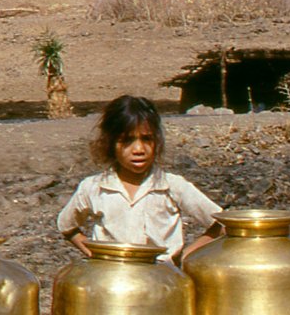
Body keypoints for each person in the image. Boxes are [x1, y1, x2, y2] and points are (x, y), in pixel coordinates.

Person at [56, 95, 223, 265]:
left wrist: (184, 257)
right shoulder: (93, 188)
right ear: (110, 143)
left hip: (163, 280)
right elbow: (66, 226)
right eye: (127, 141)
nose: (139, 149)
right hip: (112, 279)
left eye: (146, 139)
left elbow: (220, 223)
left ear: (157, 141)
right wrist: (96, 255)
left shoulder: (172, 186)